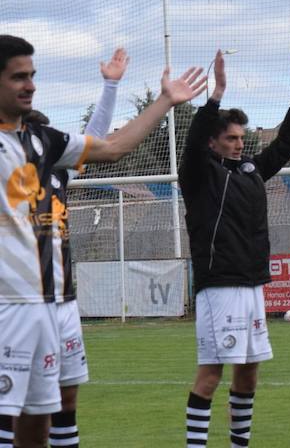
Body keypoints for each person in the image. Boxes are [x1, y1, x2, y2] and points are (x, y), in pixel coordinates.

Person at [0, 34, 204, 448]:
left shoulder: (44, 141)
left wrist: (164, 102)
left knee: (39, 423)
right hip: (8, 306)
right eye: (18, 77)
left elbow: (110, 146)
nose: (30, 85)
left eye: (32, 76)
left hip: (51, 304)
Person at [180, 44, 290, 448]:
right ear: (213, 143)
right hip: (220, 285)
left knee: (250, 371)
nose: (239, 143)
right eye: (231, 138)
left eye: (242, 137)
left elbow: (287, 144)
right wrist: (215, 96)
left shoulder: (250, 171)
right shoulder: (199, 175)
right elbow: (192, 142)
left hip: (252, 283)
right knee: (211, 375)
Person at [22, 47, 130, 448]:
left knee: (66, 401)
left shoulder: (58, 174)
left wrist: (111, 84)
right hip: (19, 302)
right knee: (17, 407)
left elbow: (96, 137)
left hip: (64, 301)